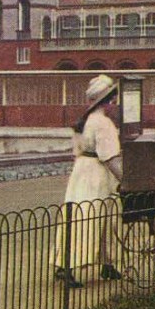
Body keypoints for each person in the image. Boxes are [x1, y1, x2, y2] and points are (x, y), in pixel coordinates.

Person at [53, 75, 124, 288]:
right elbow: (109, 157)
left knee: (77, 215)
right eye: (112, 99)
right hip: (98, 175)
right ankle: (72, 266)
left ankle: (99, 263)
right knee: (94, 217)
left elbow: (78, 150)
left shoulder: (84, 121)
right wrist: (125, 179)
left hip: (81, 172)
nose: (114, 104)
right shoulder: (103, 124)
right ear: (107, 101)